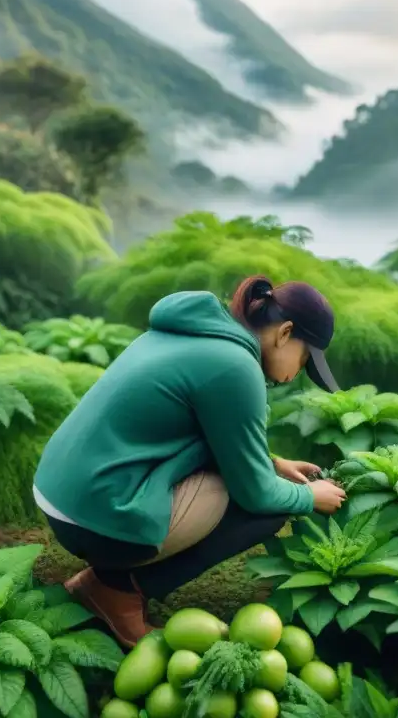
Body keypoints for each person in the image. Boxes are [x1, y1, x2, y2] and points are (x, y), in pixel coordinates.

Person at [31, 276, 348, 646]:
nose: (298, 374)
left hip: (62, 494)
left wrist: (273, 462)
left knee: (263, 482)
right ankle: (115, 593)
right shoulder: (236, 366)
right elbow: (257, 493)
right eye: (305, 357)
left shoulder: (198, 335)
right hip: (96, 517)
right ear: (285, 333)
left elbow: (200, 430)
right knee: (267, 508)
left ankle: (103, 581)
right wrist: (312, 497)